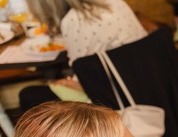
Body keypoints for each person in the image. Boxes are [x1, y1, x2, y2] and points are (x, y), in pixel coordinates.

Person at [19, 0, 149, 112]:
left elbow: (85, 78)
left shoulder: (74, 19)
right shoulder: (115, 2)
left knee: (29, 95)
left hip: (115, 97)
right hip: (144, 82)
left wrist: (67, 82)